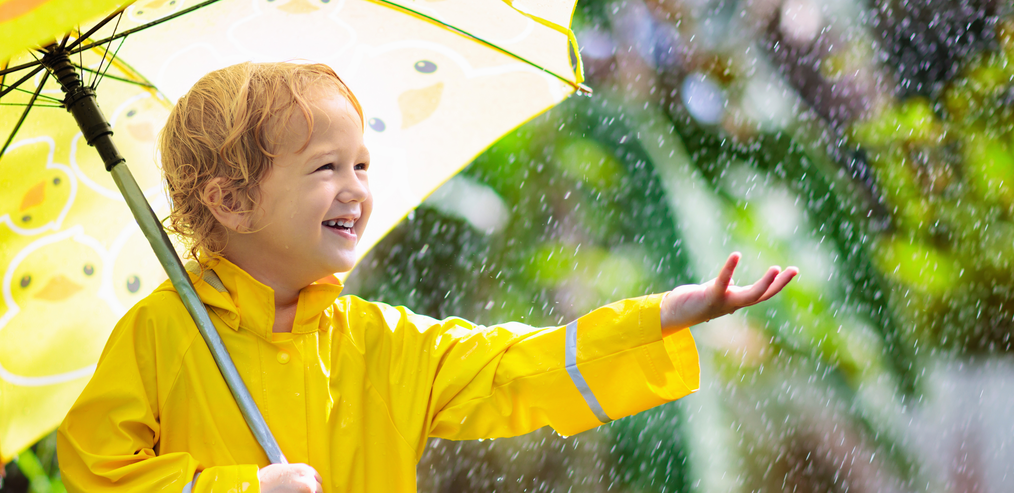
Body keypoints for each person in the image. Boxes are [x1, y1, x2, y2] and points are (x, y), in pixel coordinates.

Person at [56, 62, 798, 493]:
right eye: (325, 168)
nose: (355, 188)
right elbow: (96, 472)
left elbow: (515, 367)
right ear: (232, 200)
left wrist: (658, 316)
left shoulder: (384, 343)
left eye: (361, 166)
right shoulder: (158, 336)